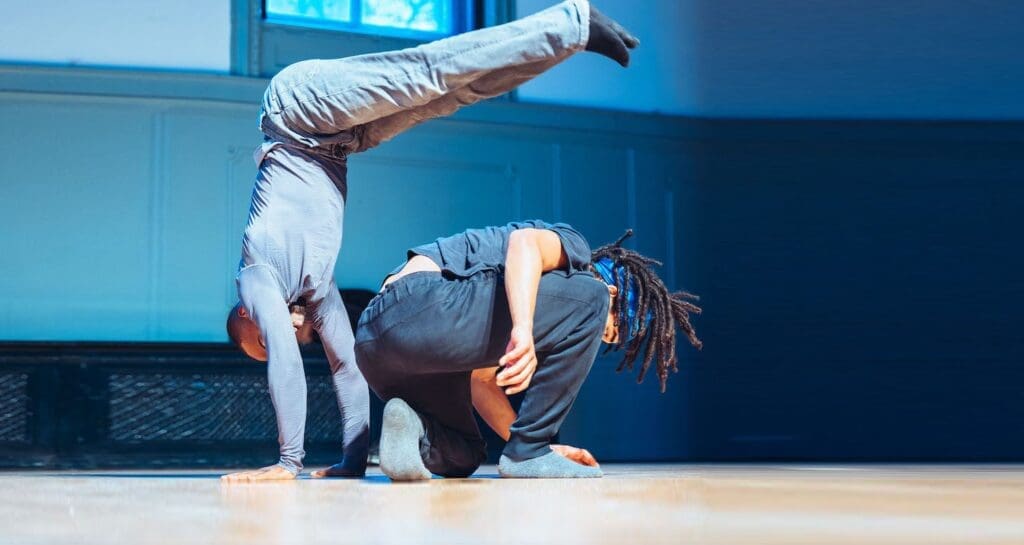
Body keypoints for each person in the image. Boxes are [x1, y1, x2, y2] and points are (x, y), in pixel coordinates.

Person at [221, 0, 642, 481]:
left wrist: (288, 464)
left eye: (263, 342)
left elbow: (289, 364)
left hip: (295, 113)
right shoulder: (316, 289)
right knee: (455, 95)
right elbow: (347, 372)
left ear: (245, 314)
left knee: (429, 73)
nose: (284, 340)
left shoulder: (254, 278)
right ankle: (568, 42)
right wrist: (351, 464)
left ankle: (573, 22)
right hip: (340, 143)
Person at [355, 221, 702, 480]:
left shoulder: (505, 315)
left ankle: (411, 426)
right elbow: (523, 244)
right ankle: (528, 451)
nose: (600, 337)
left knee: (463, 454)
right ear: (614, 291)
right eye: (609, 329)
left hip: (376, 346)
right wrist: (522, 328)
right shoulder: (578, 254)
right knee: (589, 299)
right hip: (420, 302)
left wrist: (538, 445)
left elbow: (481, 381)